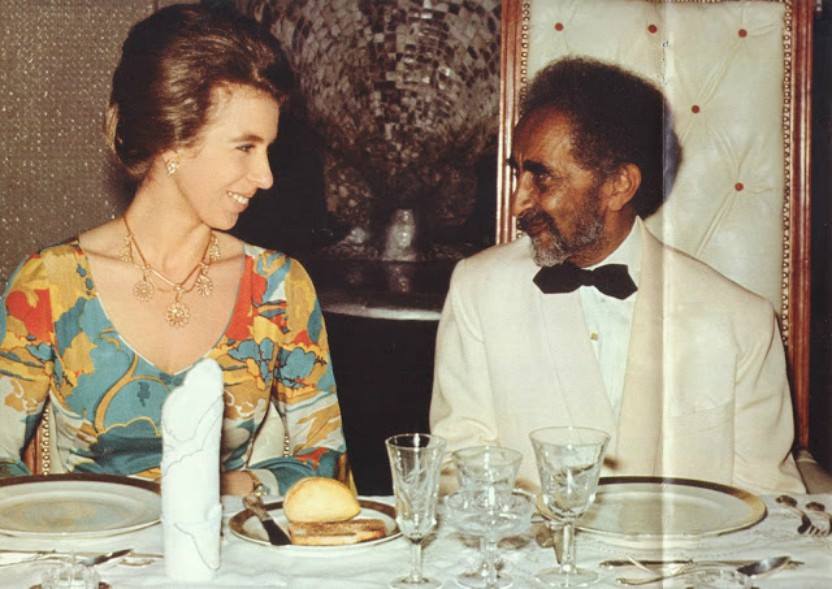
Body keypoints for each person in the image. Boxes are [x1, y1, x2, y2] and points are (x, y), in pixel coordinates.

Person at [0, 4, 347, 496]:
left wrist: (210, 489)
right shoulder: (49, 284)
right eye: (245, 147)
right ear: (174, 139)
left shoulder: (277, 287)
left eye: (267, 149)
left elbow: (326, 460)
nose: (266, 176)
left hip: (224, 542)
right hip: (91, 541)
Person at [430, 57, 804, 495]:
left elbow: (768, 502)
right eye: (519, 173)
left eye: (542, 179)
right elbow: (459, 465)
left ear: (618, 186)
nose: (517, 204)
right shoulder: (479, 289)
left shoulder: (742, 321)